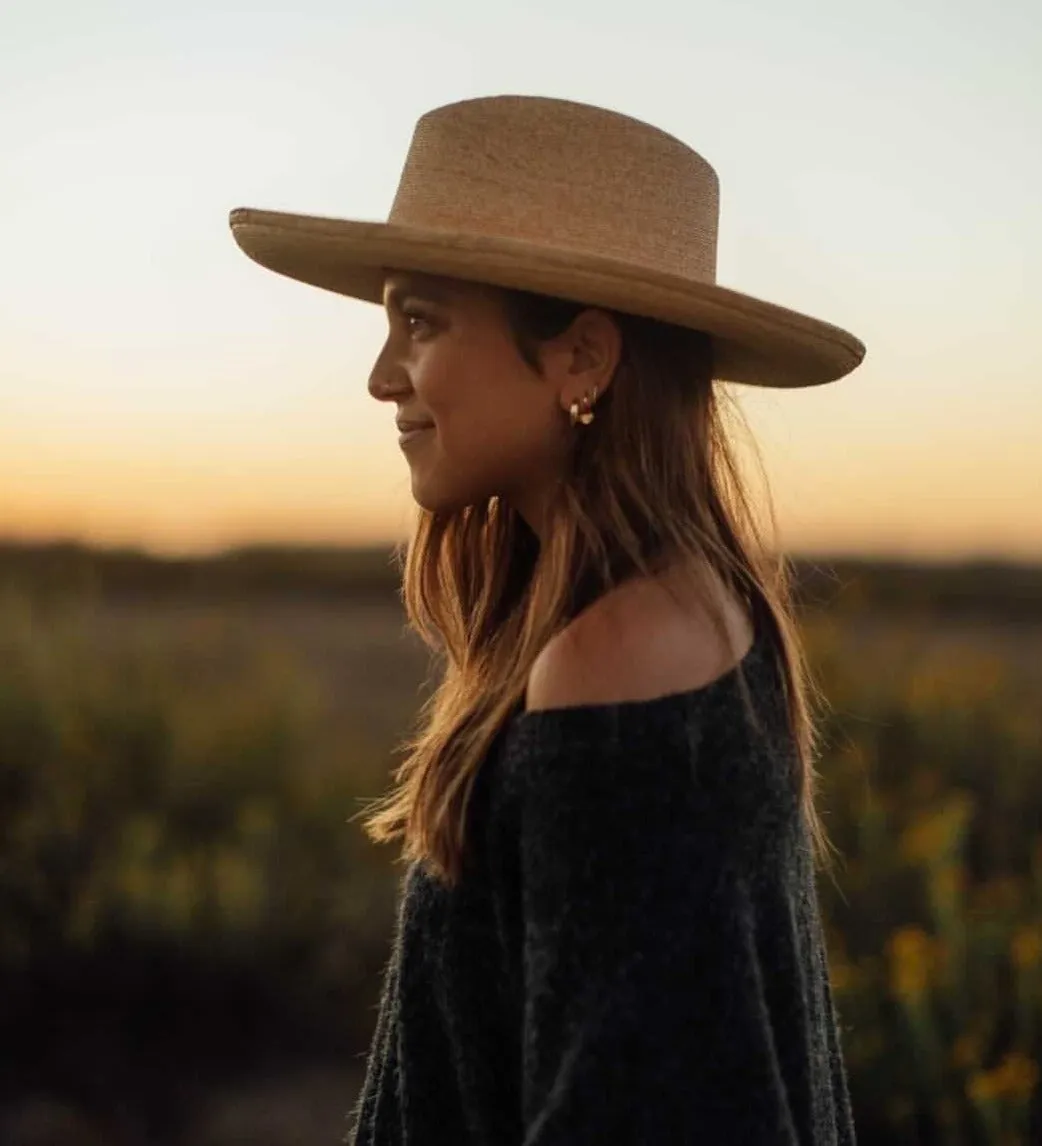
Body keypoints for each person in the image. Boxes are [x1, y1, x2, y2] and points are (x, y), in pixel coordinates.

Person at [230, 93, 865, 1146]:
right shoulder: (661, 615)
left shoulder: (623, 658)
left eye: (422, 321)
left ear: (581, 358)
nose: (383, 375)